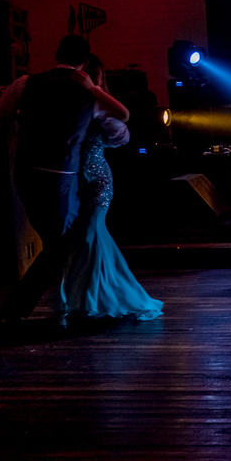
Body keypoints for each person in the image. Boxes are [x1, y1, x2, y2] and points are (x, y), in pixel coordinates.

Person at [0, 34, 130, 325]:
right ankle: (16, 310)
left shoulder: (25, 83)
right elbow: (122, 120)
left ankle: (63, 304)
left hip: (25, 174)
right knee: (61, 247)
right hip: (60, 179)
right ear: (85, 62)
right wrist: (95, 91)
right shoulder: (88, 93)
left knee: (58, 244)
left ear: (56, 54)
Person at [58, 55, 162, 321]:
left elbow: (121, 134)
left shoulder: (99, 106)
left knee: (89, 237)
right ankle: (88, 299)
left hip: (97, 181)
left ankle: (90, 300)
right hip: (75, 182)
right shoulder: (72, 106)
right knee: (88, 239)